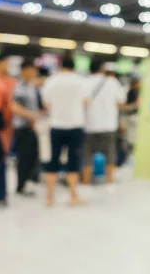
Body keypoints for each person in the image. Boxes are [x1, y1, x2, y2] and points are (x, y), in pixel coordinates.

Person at [41, 57, 89, 206]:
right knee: (73, 161)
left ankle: (50, 198)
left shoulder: (51, 81)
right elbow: (86, 103)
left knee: (52, 160)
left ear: (61, 67)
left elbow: (46, 105)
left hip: (56, 125)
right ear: (74, 67)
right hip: (75, 125)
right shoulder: (81, 81)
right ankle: (73, 196)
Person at [82, 59, 126, 185]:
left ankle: (85, 181)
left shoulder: (84, 83)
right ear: (102, 69)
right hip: (108, 124)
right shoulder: (112, 82)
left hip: (88, 124)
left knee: (87, 155)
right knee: (110, 154)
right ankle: (109, 180)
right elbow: (121, 102)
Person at [11, 59, 42, 197]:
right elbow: (15, 107)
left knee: (32, 157)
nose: (34, 72)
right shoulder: (19, 87)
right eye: (32, 69)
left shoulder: (32, 86)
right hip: (23, 127)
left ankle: (29, 182)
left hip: (33, 127)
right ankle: (21, 185)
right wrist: (31, 116)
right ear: (24, 70)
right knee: (23, 158)